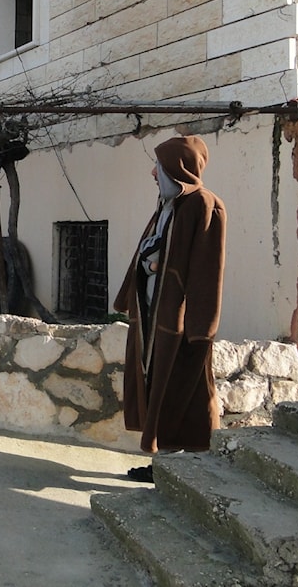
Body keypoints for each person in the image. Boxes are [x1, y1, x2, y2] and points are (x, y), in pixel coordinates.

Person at [113, 135, 226, 483]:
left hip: (179, 326)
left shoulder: (205, 206)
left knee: (181, 393)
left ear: (176, 169)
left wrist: (199, 330)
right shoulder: (169, 206)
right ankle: (165, 467)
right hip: (153, 318)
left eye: (158, 167)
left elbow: (207, 270)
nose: (152, 173)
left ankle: (180, 471)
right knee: (158, 389)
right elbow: (151, 253)